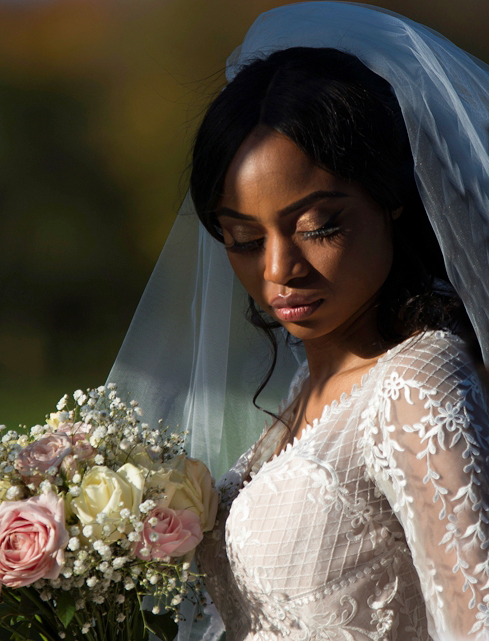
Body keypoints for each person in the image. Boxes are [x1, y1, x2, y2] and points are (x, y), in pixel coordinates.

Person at [108, 3, 489, 640]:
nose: (281, 270)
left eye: (317, 227)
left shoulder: (417, 387)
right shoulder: (303, 396)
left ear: (391, 199)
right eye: (243, 239)